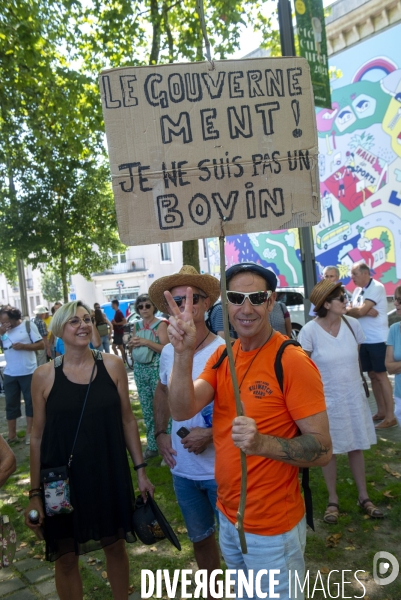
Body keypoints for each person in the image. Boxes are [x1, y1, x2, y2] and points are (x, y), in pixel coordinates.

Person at [165, 262, 332, 599]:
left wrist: (262, 443)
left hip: (273, 529)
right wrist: (182, 355)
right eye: (236, 298)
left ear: (270, 302)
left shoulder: (291, 361)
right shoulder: (224, 355)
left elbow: (323, 449)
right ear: (225, 303)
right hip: (229, 518)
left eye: (256, 297)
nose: (245, 308)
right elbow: (182, 409)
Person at [24, 300, 154, 600]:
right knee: (66, 557)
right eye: (74, 321)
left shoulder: (112, 365)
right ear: (59, 330)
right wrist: (34, 494)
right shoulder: (43, 376)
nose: (83, 325)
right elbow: (36, 437)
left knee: (115, 545)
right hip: (61, 483)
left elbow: (127, 420)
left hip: (108, 471)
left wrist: (141, 471)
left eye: (86, 319)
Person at [150, 266, 224, 595]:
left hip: (223, 469)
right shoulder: (168, 351)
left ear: (206, 304)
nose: (184, 306)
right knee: (201, 540)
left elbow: (246, 409)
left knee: (239, 543)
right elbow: (162, 391)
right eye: (177, 300)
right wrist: (161, 433)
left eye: (192, 298)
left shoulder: (225, 351)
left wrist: (211, 434)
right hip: (184, 471)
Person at [299, 280, 381, 523]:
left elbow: (355, 360)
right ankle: (333, 500)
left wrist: (360, 384)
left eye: (345, 297)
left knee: (356, 445)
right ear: (326, 304)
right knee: (329, 449)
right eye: (341, 299)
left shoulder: (352, 324)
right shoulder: (309, 331)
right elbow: (304, 370)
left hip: (352, 396)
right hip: (326, 400)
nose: (347, 301)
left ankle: (364, 497)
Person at [347, 261, 396, 429]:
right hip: (364, 340)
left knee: (382, 376)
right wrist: (361, 309)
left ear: (365, 273)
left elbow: (357, 312)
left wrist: (360, 310)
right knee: (373, 376)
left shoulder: (376, 286)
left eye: (354, 274)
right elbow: (352, 311)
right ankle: (381, 412)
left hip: (377, 340)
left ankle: (391, 417)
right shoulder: (358, 290)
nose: (351, 277)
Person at [127, 294, 168, 459]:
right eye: (141, 306)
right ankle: (152, 446)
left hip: (156, 370)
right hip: (140, 370)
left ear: (153, 307)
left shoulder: (161, 325)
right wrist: (131, 345)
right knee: (147, 408)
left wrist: (146, 342)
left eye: (147, 306)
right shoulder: (136, 325)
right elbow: (133, 346)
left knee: (162, 408)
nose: (144, 309)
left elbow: (166, 348)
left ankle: (166, 443)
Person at [0, 306, 44, 445]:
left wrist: (24, 346)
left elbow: (41, 345)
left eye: (6, 321)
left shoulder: (28, 326)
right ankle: (12, 435)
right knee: (11, 404)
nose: (4, 324)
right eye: (2, 322)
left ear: (14, 318)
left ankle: (29, 434)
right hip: (10, 373)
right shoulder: (2, 331)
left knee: (30, 402)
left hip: (28, 372)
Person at [385, 286, 401, 426]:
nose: (395, 303)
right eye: (395, 299)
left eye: (399, 300)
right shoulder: (394, 329)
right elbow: (389, 367)